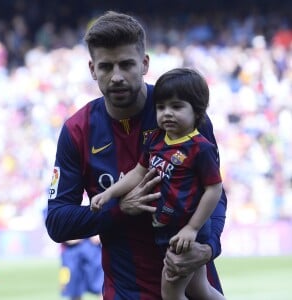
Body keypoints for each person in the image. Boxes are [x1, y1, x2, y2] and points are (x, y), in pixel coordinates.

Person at [45, 11, 227, 300]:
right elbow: (57, 221)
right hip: (126, 291)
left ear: (144, 64)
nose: (116, 76)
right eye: (106, 66)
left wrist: (208, 248)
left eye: (126, 64)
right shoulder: (77, 131)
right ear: (93, 69)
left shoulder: (186, 115)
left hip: (192, 285)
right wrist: (118, 209)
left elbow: (215, 193)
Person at [91, 68, 225, 300]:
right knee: (199, 289)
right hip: (167, 227)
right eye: (161, 107)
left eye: (177, 107)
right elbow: (137, 173)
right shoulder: (156, 140)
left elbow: (214, 189)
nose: (167, 113)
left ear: (197, 110)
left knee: (170, 293)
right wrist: (109, 193)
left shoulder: (199, 147)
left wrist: (192, 228)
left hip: (184, 231)